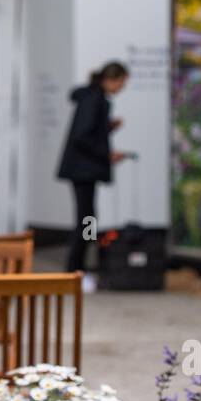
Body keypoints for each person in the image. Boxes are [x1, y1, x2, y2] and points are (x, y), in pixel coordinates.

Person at [57, 61, 129, 290]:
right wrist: (106, 154)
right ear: (111, 79)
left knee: (87, 220)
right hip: (83, 170)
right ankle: (76, 272)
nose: (122, 87)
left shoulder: (92, 97)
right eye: (121, 82)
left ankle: (78, 270)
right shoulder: (94, 99)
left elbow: (87, 132)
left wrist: (107, 128)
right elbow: (82, 137)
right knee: (86, 221)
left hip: (83, 170)